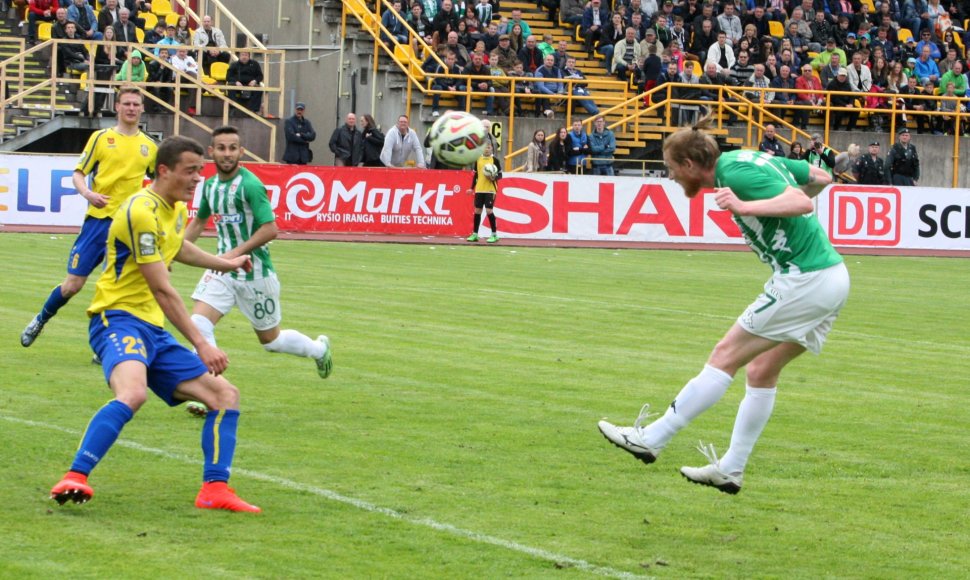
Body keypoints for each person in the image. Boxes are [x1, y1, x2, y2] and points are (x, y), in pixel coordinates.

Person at [598, 116, 848, 495]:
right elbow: (820, 178)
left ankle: (652, 437)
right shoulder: (747, 160)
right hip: (830, 277)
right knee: (761, 370)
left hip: (804, 279)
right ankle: (731, 469)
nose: (672, 177)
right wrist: (768, 201)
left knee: (724, 355)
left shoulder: (736, 175)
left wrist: (750, 207)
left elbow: (801, 202)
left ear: (689, 165)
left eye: (671, 169)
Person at [48, 135, 261, 513]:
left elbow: (177, 247)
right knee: (133, 393)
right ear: (164, 171)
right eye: (190, 171)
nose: (198, 179)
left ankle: (214, 489)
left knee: (225, 396)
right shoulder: (140, 211)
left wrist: (225, 261)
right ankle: (75, 476)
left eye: (200, 170)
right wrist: (201, 342)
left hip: (152, 329)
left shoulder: (174, 208)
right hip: (116, 319)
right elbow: (162, 289)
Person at [182, 126, 333, 420]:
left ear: (241, 152)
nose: (227, 153)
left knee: (272, 342)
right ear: (211, 152)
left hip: (256, 274)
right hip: (222, 271)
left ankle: (318, 349)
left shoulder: (250, 185)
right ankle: (210, 392)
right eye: (221, 148)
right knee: (198, 325)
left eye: (232, 148)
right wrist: (175, 249)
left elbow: (270, 229)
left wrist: (235, 254)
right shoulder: (210, 186)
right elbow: (199, 222)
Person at [21, 88, 156, 350]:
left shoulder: (149, 147)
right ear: (117, 107)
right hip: (99, 220)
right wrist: (87, 193)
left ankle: (107, 343)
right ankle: (40, 319)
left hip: (127, 225)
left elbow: (160, 182)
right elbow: (79, 173)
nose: (131, 108)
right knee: (73, 285)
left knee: (120, 288)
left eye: (135, 104)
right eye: (126, 103)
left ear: (141, 108)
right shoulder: (101, 138)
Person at [465, 141, 502, 243]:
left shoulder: (495, 160)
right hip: (479, 189)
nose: (487, 149)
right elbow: (476, 175)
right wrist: (471, 188)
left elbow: (500, 175)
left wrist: (493, 178)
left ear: (492, 149)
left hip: (490, 190)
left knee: (489, 210)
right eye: (485, 147)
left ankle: (494, 235)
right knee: (477, 211)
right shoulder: (478, 159)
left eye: (489, 147)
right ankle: (475, 234)